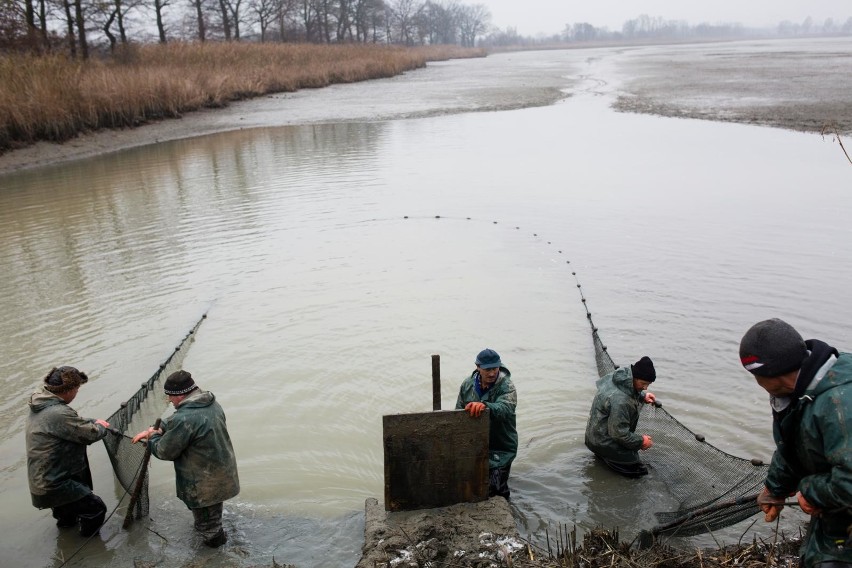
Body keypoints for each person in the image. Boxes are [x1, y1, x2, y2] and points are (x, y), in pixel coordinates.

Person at [739, 318, 852, 568]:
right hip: (835, 519)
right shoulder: (803, 390)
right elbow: (795, 442)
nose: (756, 383)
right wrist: (775, 489)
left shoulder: (840, 402)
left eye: (755, 375)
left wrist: (810, 490)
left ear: (771, 374)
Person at [132, 370, 239, 548]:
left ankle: (217, 555)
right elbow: (180, 420)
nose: (169, 401)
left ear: (180, 395)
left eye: (170, 397)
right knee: (211, 518)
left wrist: (152, 440)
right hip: (222, 474)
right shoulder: (209, 403)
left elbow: (165, 451)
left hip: (204, 484)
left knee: (208, 529)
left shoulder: (185, 418)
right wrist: (156, 428)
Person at [26, 366, 111, 537]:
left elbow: (70, 424)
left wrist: (93, 420)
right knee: (96, 509)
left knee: (68, 517)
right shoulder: (58, 412)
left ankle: (65, 543)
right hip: (55, 483)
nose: (77, 392)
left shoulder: (42, 402)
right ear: (69, 390)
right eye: (77, 388)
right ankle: (89, 552)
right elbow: (90, 434)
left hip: (44, 480)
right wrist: (101, 426)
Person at [455, 348, 517, 499]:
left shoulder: (507, 386)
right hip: (476, 444)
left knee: (497, 489)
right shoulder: (467, 385)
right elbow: (458, 413)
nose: (492, 373)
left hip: (501, 445)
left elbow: (506, 408)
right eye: (487, 369)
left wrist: (485, 406)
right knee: (474, 485)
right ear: (478, 367)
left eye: (495, 368)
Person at [584, 356, 657, 477]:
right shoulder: (621, 401)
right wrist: (641, 441)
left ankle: (602, 457)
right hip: (604, 443)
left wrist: (642, 396)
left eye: (648, 384)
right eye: (643, 384)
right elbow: (619, 434)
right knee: (640, 473)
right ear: (634, 378)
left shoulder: (618, 377)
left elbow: (627, 390)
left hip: (593, 438)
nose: (645, 387)